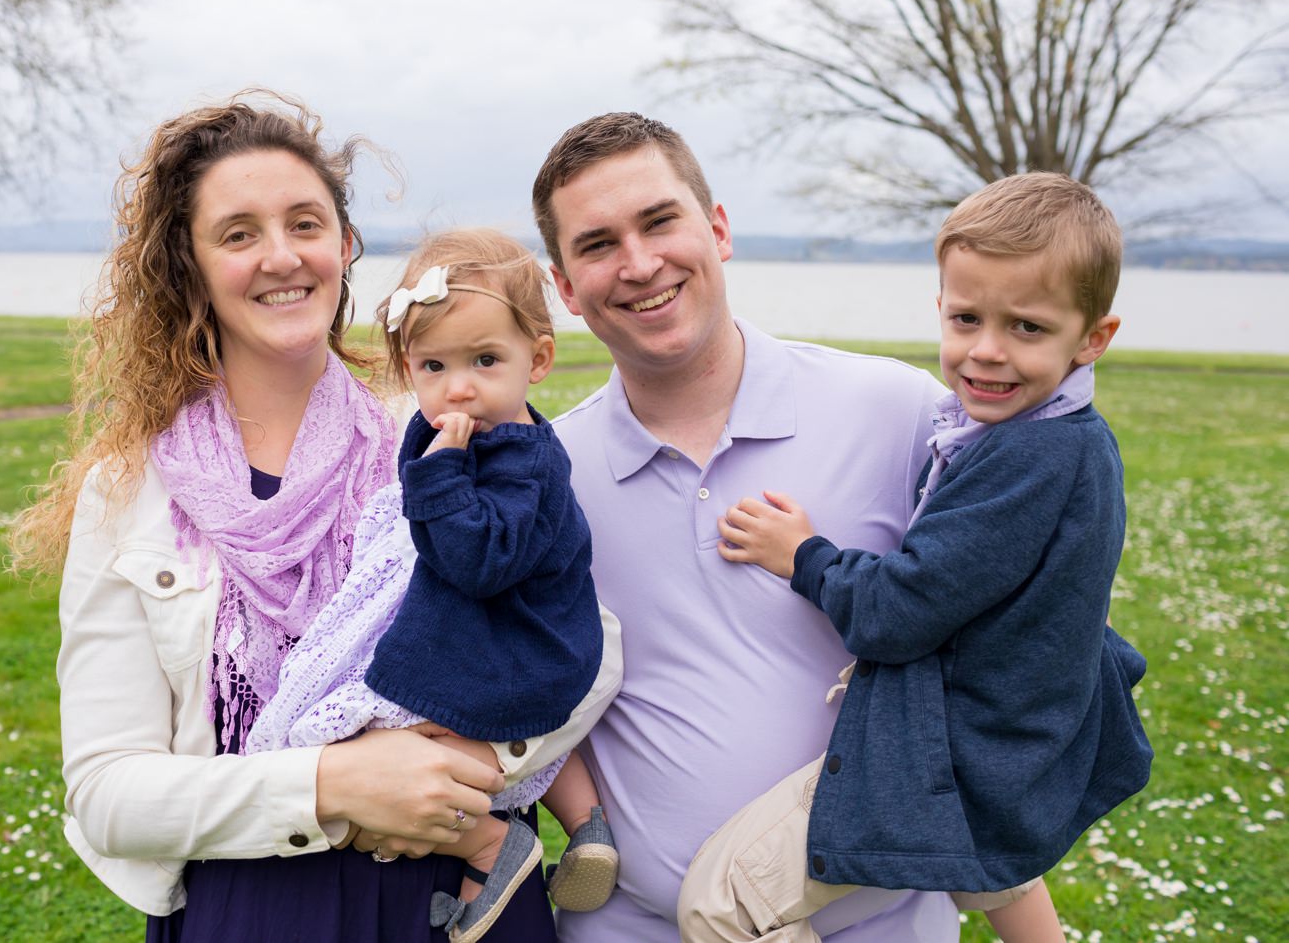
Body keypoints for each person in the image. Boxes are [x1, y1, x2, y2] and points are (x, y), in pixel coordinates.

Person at [8, 92, 621, 942]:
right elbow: (108, 793)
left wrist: (466, 769)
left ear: (342, 246)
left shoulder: (442, 433)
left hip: (459, 893)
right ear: (188, 265)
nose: (281, 256)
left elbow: (582, 638)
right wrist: (332, 787)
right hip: (255, 906)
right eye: (237, 233)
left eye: (305, 223)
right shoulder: (131, 492)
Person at [679, 172, 1154, 943]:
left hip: (960, 754)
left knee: (720, 901)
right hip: (1011, 738)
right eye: (967, 317)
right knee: (996, 869)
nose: (986, 352)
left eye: (1027, 328)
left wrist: (804, 554)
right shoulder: (1064, 436)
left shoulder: (1032, 455)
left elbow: (899, 612)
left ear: (1093, 337)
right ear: (940, 306)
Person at [532, 111, 961, 942]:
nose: (640, 263)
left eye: (661, 221)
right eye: (597, 244)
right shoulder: (547, 474)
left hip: (883, 922)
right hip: (635, 926)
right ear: (564, 287)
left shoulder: (898, 410)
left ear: (718, 228)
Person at [246, 228, 620, 942]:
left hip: (515, 640)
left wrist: (440, 475)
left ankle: (486, 844)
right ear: (407, 366)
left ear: (538, 357)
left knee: (368, 733)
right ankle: (584, 823)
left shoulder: (522, 459)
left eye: (485, 359)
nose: (460, 387)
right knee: (484, 725)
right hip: (518, 633)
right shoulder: (478, 435)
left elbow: (478, 558)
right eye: (434, 365)